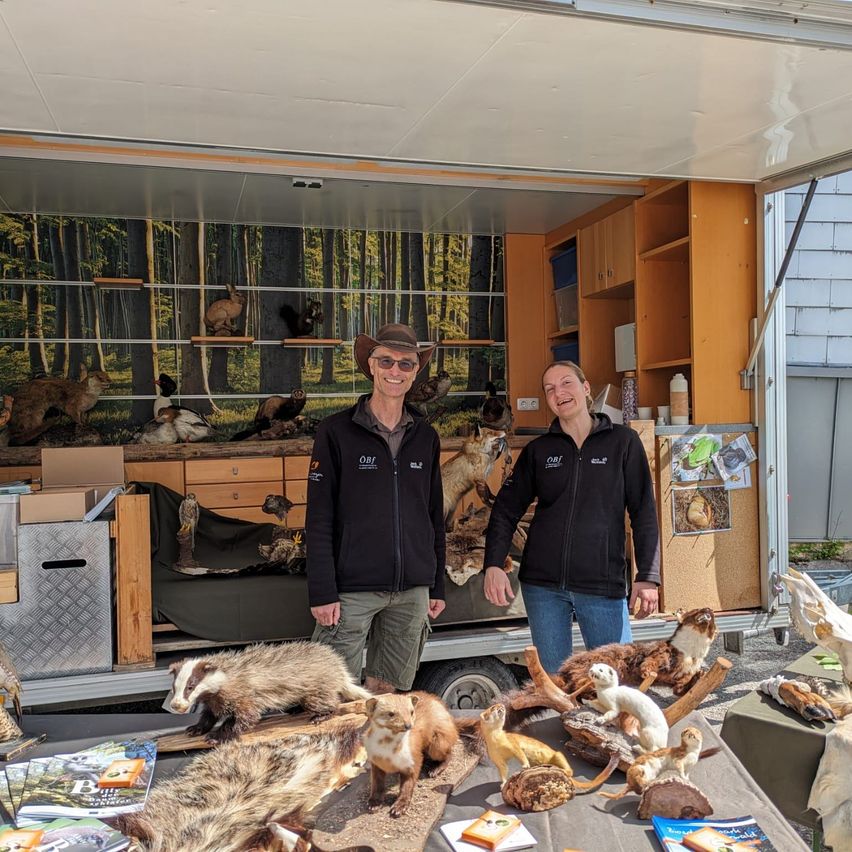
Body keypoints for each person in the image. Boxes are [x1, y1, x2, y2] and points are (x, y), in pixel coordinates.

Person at [483, 360, 660, 674]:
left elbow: (643, 511)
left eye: (566, 383)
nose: (558, 393)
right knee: (555, 684)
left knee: (617, 681)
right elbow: (505, 509)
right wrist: (494, 564)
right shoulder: (539, 451)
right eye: (550, 389)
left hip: (602, 585)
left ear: (586, 388)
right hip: (543, 589)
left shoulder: (623, 443)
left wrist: (647, 576)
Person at [306, 323, 446, 694]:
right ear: (371, 366)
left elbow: (434, 515)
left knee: (389, 696)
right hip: (351, 590)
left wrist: (437, 585)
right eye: (387, 361)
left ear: (416, 371)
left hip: (412, 589)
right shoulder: (335, 432)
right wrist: (322, 590)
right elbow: (318, 517)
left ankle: (377, 755)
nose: (395, 371)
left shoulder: (426, 437)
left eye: (405, 364)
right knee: (335, 695)